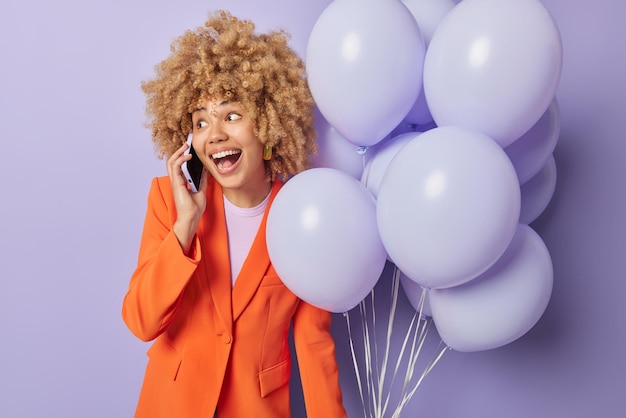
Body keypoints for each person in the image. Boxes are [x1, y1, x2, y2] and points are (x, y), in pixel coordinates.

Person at [122, 10, 347, 418]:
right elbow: (141, 321)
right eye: (201, 122)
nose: (216, 134)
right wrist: (185, 226)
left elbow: (313, 345)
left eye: (232, 115)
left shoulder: (303, 216)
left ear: (267, 122)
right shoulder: (167, 202)